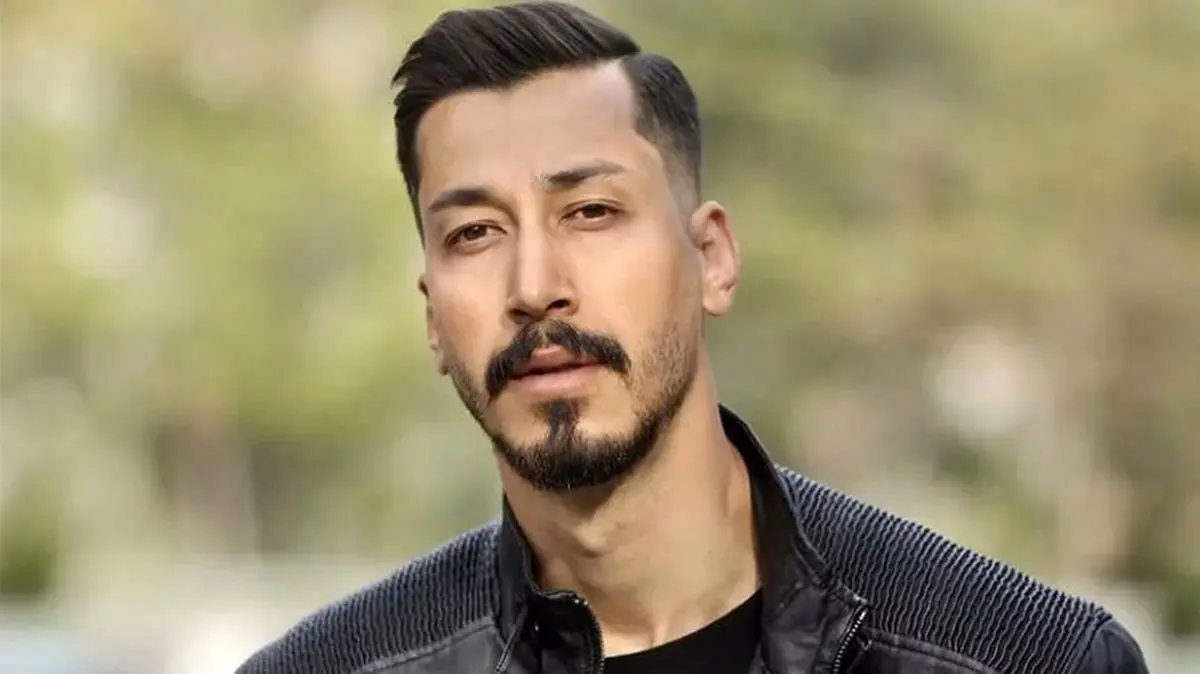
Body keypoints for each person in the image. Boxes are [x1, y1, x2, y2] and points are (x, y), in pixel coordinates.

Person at [236, 3, 1149, 673]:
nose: (534, 287)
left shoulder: (1024, 659)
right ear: (434, 317)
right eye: (475, 233)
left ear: (710, 257)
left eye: (591, 212)